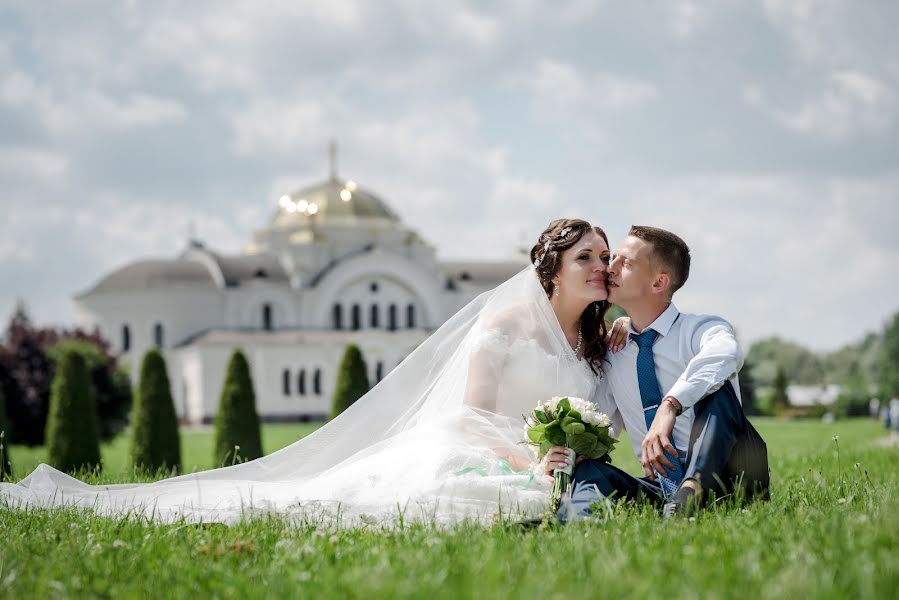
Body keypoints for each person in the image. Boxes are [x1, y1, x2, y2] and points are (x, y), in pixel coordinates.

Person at [0, 218, 625, 527]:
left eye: (604, 257)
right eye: (585, 257)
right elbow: (470, 413)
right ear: (550, 270)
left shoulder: (598, 339)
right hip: (485, 451)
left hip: (547, 461)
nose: (600, 266)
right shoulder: (506, 324)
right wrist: (527, 461)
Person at [555, 225, 769, 521]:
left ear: (659, 282)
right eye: (613, 258)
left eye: (625, 263)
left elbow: (726, 355)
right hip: (660, 490)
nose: (609, 268)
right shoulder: (615, 351)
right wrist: (572, 452)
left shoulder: (702, 329)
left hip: (730, 480)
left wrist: (670, 406)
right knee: (590, 469)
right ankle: (572, 521)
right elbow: (604, 421)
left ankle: (694, 488)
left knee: (717, 390)